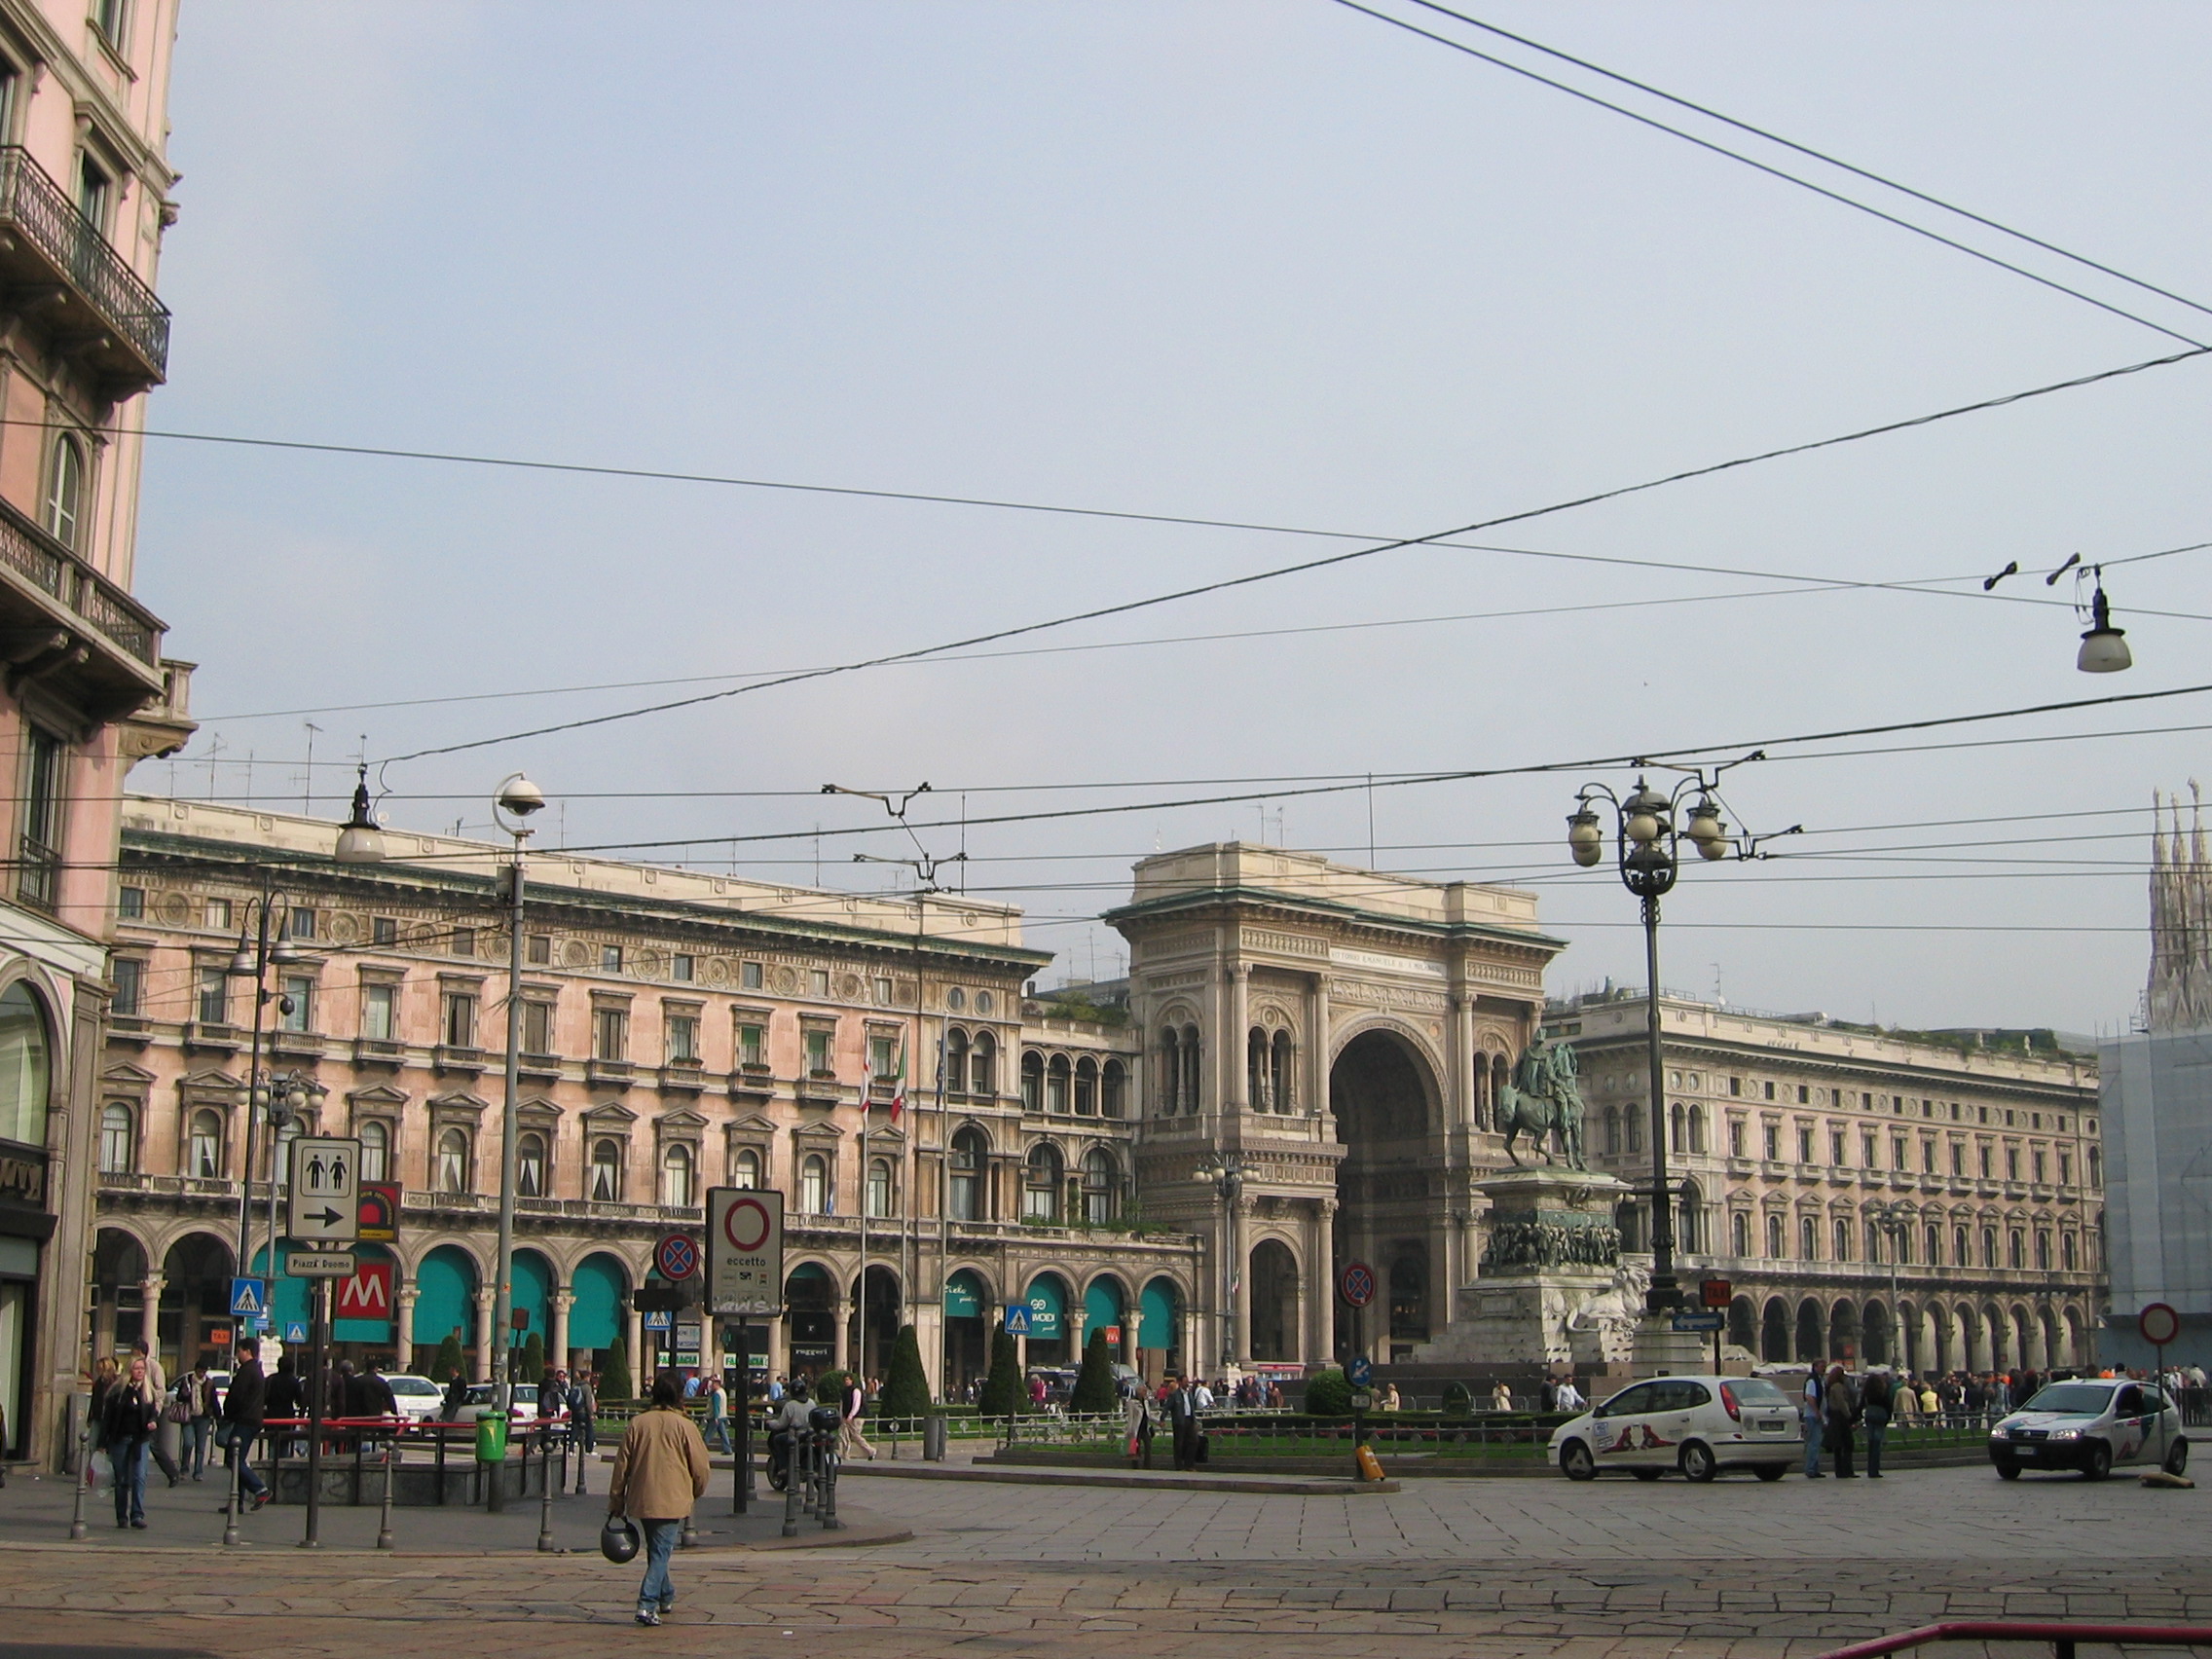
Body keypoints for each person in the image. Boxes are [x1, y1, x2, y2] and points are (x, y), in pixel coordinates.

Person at [608, 1374, 712, 1628]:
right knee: (662, 1551)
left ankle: (666, 1595)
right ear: (680, 1396)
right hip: (673, 1497)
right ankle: (646, 1604)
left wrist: (616, 1499)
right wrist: (695, 1491)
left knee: (657, 1550)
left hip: (643, 1496)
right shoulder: (685, 1426)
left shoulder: (637, 1423)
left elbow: (621, 1465)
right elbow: (701, 1467)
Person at [102, 1353, 160, 1528]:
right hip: (120, 1438)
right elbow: (108, 1417)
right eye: (137, 1368)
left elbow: (152, 1412)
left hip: (140, 1439)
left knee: (139, 1477)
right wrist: (102, 1443)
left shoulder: (148, 1391)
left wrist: (152, 1421)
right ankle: (121, 1515)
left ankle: (137, 1514)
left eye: (142, 1369)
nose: (140, 1372)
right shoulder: (119, 1391)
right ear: (130, 1370)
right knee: (122, 1479)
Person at [222, 1345, 272, 1511]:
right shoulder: (257, 1371)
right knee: (239, 1458)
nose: (237, 1355)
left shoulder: (247, 1371)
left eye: (239, 1351)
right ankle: (237, 1502)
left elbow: (237, 1395)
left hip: (245, 1419)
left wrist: (228, 1414)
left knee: (233, 1458)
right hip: (253, 1419)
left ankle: (259, 1489)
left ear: (247, 1351)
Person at [179, 1363, 217, 1479]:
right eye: (200, 1371)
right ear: (195, 1370)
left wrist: (217, 1414)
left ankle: (198, 1471)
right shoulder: (188, 1380)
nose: (201, 1374)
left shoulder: (209, 1383)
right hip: (189, 1417)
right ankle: (184, 1468)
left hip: (203, 1417)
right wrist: (186, 1394)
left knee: (200, 1446)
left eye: (204, 1372)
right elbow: (179, 1397)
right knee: (188, 1443)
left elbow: (213, 1400)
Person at [1824, 1364, 1859, 1479]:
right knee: (1847, 1444)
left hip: (1834, 1417)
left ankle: (1840, 1471)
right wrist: (1849, 1415)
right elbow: (1841, 1402)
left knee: (1838, 1446)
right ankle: (1847, 1470)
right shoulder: (1838, 1387)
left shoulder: (1830, 1386)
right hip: (1840, 1417)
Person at [570, 1371, 599, 1493]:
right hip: (584, 1412)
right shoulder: (587, 1387)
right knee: (590, 1429)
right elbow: (588, 1402)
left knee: (575, 1429)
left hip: (576, 1412)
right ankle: (589, 1449)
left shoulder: (575, 1386)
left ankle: (571, 1449)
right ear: (587, 1377)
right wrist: (591, 1414)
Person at [1861, 1369, 1894, 1479]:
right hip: (1880, 1415)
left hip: (1870, 1414)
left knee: (1871, 1442)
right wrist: (1888, 1417)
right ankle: (1875, 1469)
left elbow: (1861, 1404)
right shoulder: (1882, 1390)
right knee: (1877, 1443)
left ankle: (1870, 1468)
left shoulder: (1867, 1392)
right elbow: (1888, 1405)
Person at [839, 1372, 876, 1462]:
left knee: (856, 1436)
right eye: (845, 1380)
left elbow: (856, 1404)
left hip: (856, 1417)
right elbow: (842, 1404)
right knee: (843, 1435)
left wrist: (851, 1415)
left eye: (848, 1380)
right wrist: (842, 1416)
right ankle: (845, 1454)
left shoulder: (856, 1391)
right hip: (846, 1417)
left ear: (852, 1380)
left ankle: (870, 1451)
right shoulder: (845, 1391)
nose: (846, 1382)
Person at [1800, 1366, 1826, 1478]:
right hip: (1812, 1415)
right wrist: (1816, 1411)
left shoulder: (1820, 1380)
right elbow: (1809, 1396)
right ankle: (1810, 1469)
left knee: (1816, 1442)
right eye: (1821, 1366)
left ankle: (1814, 1468)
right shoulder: (1812, 1381)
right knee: (1814, 1443)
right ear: (1815, 1367)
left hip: (1816, 1414)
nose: (1824, 1369)